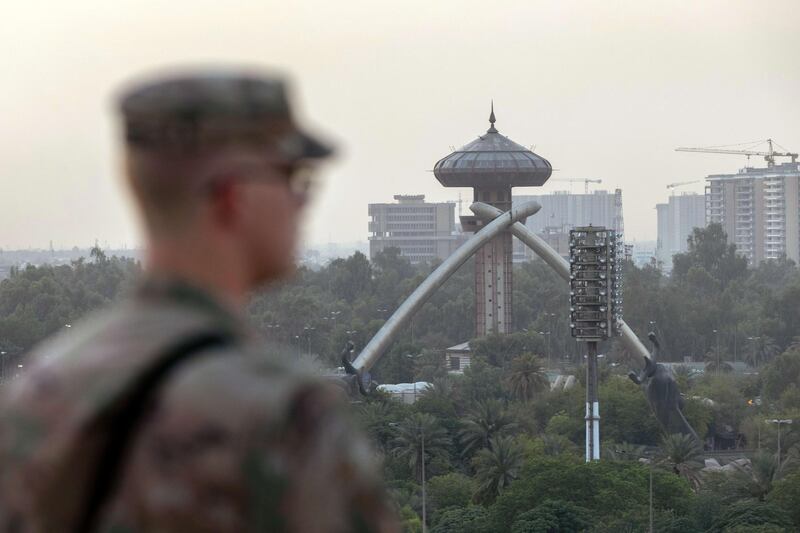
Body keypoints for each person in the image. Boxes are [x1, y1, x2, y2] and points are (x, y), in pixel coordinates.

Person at [0, 69, 398, 533]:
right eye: (292, 176)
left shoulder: (36, 395)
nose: (302, 200)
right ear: (234, 196)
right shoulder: (279, 410)